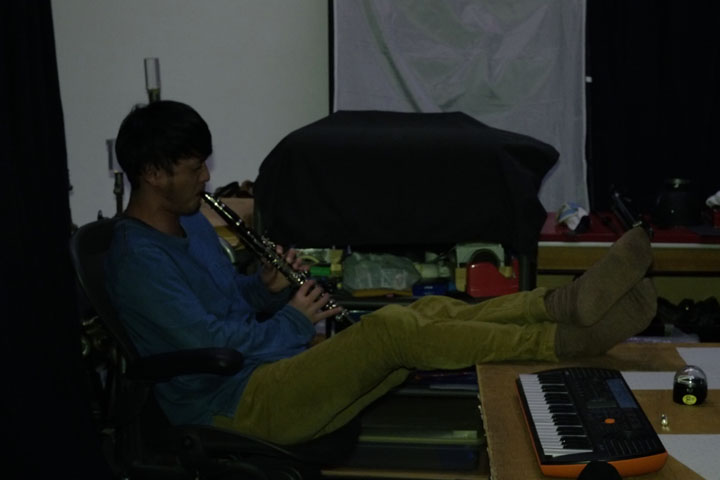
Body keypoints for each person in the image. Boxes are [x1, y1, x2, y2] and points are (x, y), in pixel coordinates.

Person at [106, 100, 657, 446]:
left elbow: (230, 302)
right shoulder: (136, 260)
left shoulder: (191, 222)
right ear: (153, 173)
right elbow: (212, 345)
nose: (206, 178)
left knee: (426, 310)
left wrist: (267, 289)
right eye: (194, 168)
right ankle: (561, 342)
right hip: (231, 403)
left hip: (264, 368)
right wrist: (294, 321)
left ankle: (562, 306)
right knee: (392, 331)